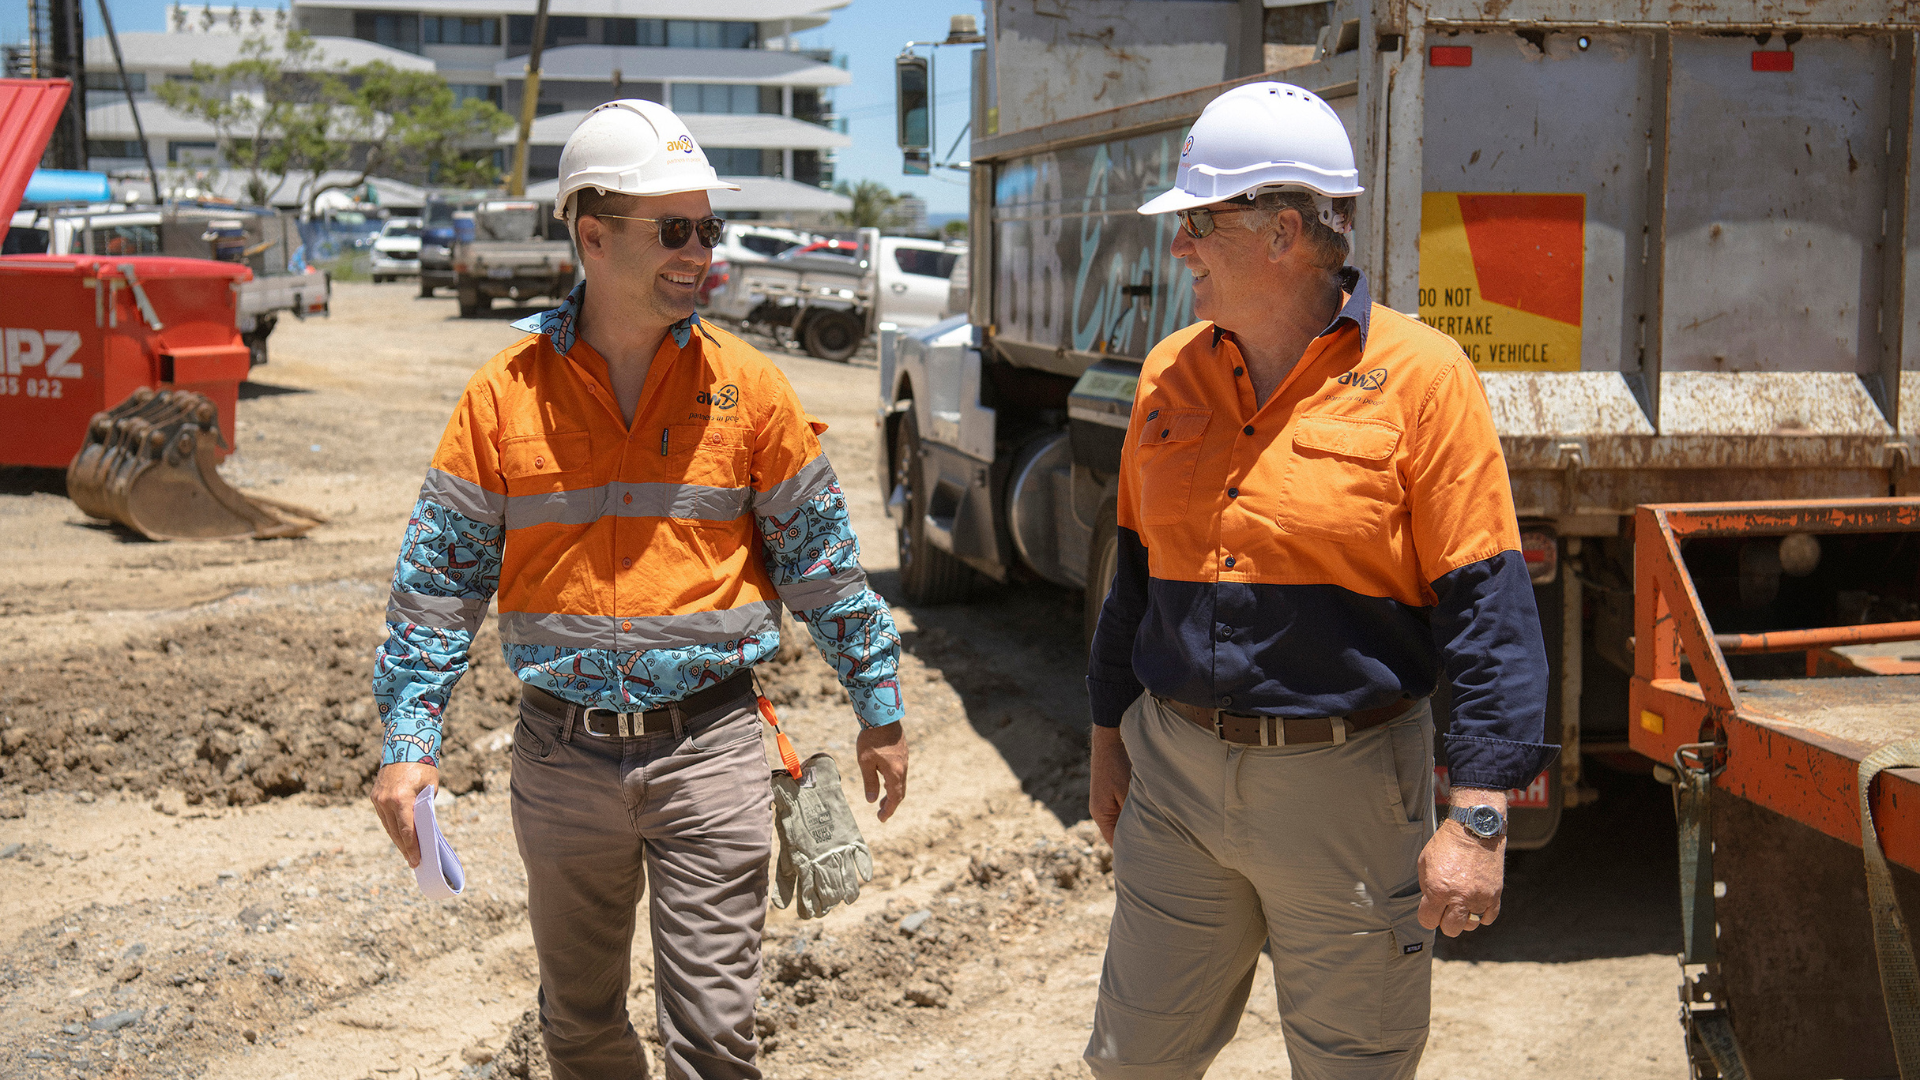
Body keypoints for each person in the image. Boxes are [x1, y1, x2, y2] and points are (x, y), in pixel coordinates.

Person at [367, 99, 908, 1080]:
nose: (701, 250)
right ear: (593, 236)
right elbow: (439, 587)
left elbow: (824, 570)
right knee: (578, 1029)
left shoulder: (750, 391)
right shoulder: (503, 395)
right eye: (675, 229)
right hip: (561, 761)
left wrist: (880, 710)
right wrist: (408, 745)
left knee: (713, 1040)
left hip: (713, 754)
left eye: (709, 227)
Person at [1083, 82, 1558, 1080]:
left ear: (1285, 232)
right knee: (1130, 1063)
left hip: (1348, 792)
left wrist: (1479, 818)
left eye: (1200, 225)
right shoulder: (1169, 374)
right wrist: (1104, 738)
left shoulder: (1424, 377)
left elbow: (1488, 611)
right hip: (1173, 778)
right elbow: (1132, 581)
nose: (1181, 250)